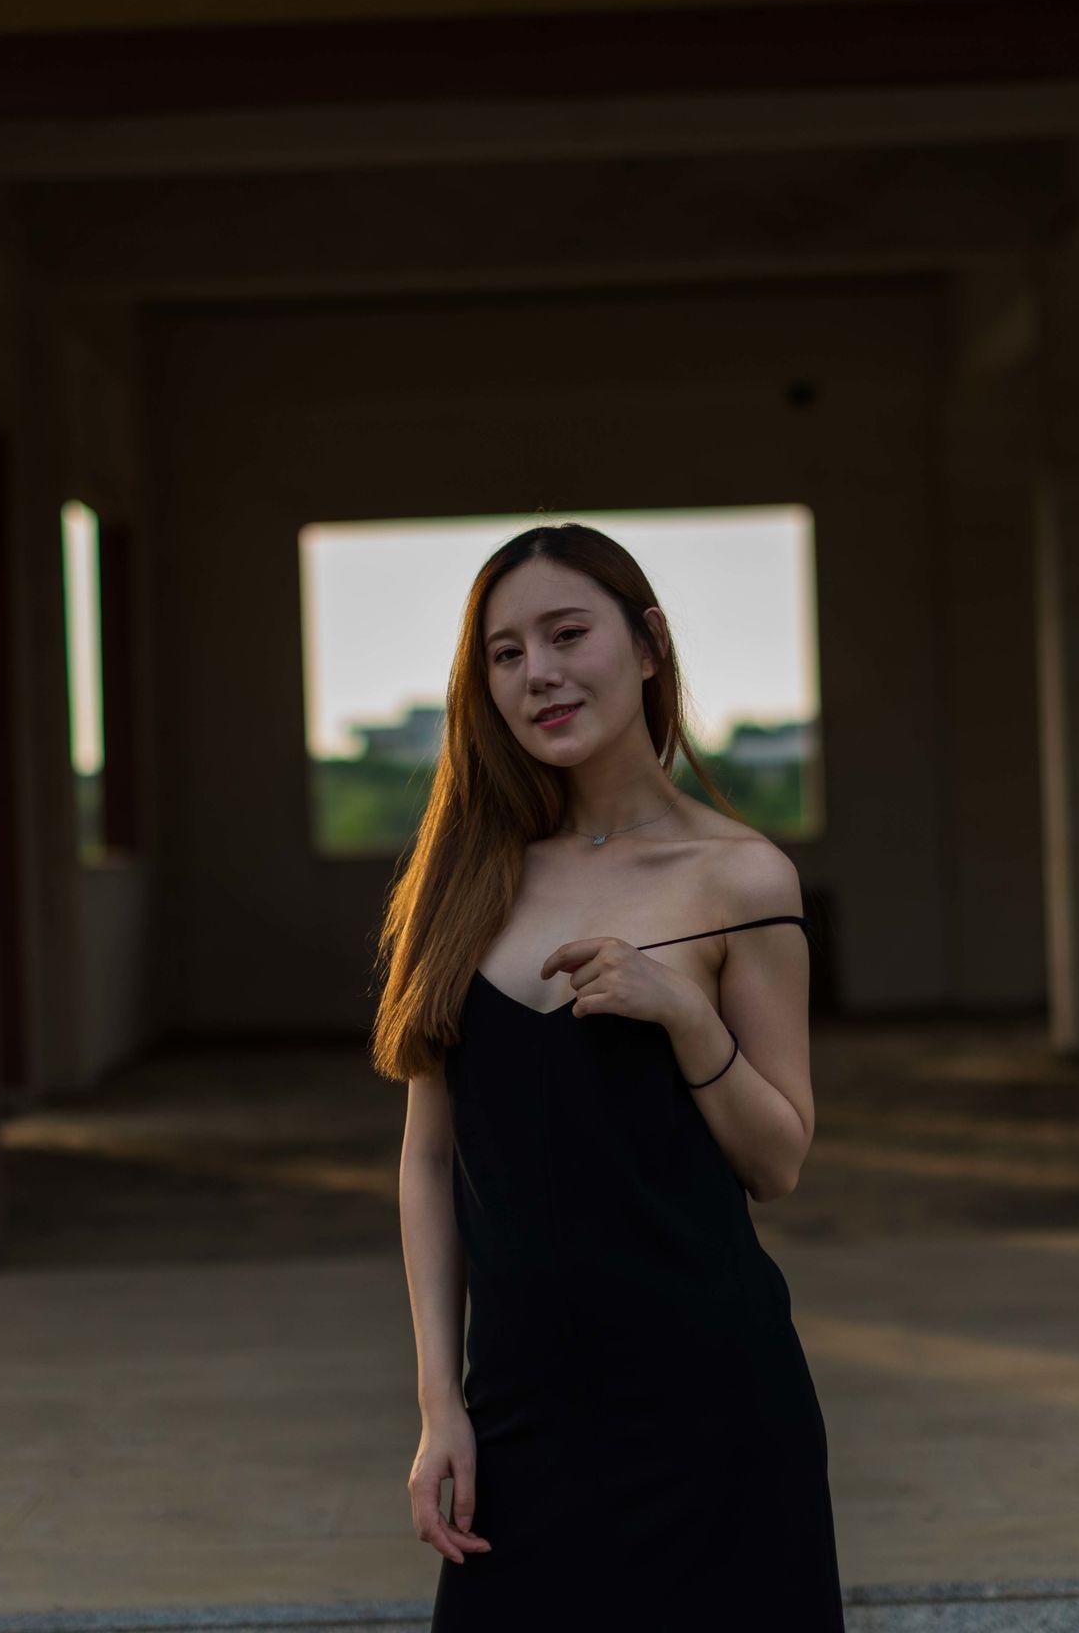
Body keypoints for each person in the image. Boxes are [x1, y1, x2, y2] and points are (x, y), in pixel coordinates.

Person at [370, 522, 845, 1629]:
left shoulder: (741, 878)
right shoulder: (464, 880)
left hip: (715, 1409)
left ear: (648, 645)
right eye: (505, 653)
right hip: (519, 1419)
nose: (537, 672)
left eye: (567, 634)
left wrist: (685, 1013)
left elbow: (777, 1159)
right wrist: (441, 1407)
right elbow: (429, 1162)